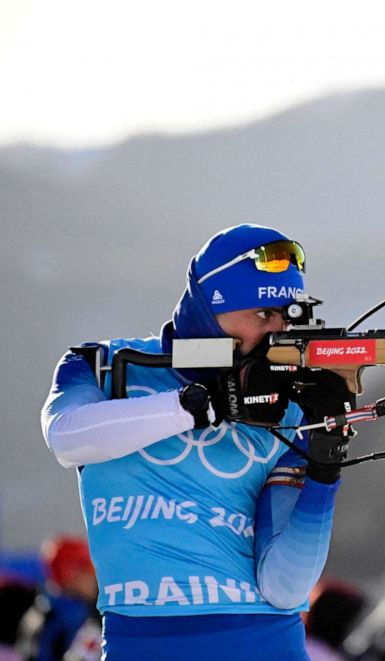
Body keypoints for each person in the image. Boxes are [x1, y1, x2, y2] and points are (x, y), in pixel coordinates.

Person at [41, 224, 354, 659]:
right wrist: (193, 407)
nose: (276, 332)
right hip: (141, 644)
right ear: (210, 309)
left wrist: (325, 464)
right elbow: (66, 437)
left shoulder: (287, 405)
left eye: (287, 316)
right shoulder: (105, 367)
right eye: (262, 315)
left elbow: (284, 588)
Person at [17, 535, 101, 661]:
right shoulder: (48, 620)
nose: (95, 577)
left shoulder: (90, 607)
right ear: (71, 574)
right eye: (88, 570)